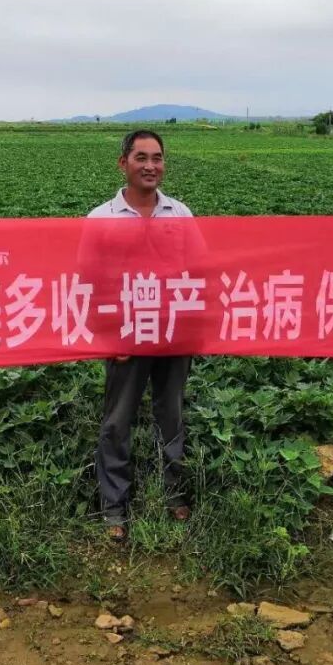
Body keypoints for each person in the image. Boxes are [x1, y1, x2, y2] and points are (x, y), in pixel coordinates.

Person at [87, 130, 198, 541]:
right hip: (125, 336)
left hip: (172, 332)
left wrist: (193, 328)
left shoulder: (179, 213)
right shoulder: (101, 218)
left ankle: (174, 492)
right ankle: (114, 506)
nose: (151, 166)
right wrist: (106, 337)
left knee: (172, 415)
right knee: (118, 420)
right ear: (123, 163)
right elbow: (89, 281)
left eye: (157, 158)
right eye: (141, 157)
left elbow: (200, 268)